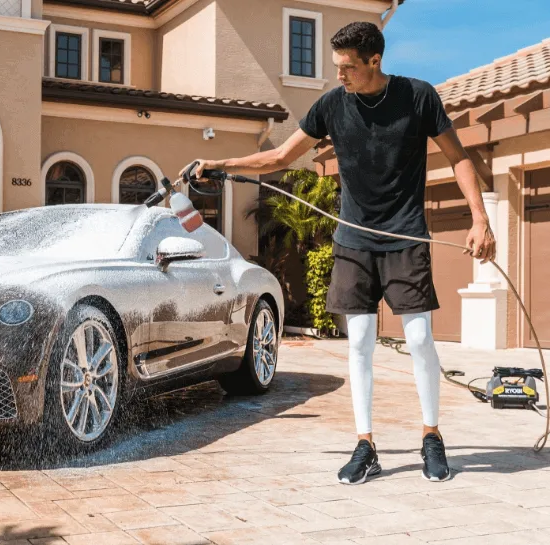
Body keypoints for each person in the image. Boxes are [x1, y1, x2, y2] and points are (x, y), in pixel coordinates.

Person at [181, 21, 495, 484]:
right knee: (361, 344)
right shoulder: (332, 104)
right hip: (353, 241)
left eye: (348, 68)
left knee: (420, 341)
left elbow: (459, 157)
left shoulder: (419, 96)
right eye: (336, 68)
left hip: (406, 235)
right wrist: (219, 165)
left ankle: (431, 434)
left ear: (375, 60)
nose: (340, 76)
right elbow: (281, 157)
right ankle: (365, 444)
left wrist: (481, 219)